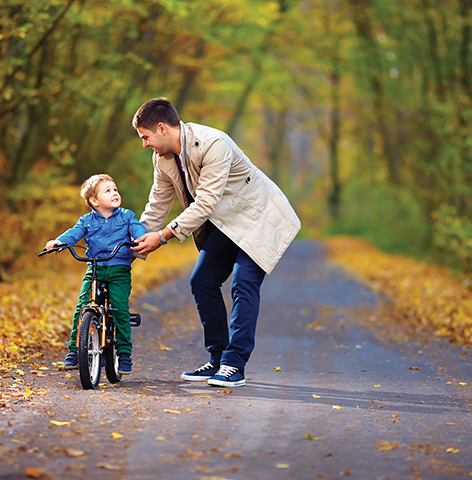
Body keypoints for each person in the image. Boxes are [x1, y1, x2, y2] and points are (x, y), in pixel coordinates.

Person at [131, 97, 300, 387]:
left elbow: (206, 202)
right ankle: (218, 358)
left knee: (243, 283)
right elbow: (157, 204)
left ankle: (234, 365)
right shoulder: (162, 158)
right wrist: (131, 246)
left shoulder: (213, 143)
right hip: (225, 223)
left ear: (161, 128)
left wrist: (163, 236)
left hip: (257, 218)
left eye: (145, 137)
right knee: (202, 282)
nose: (145, 144)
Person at [45, 174, 147, 374]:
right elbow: (74, 233)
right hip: (95, 269)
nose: (114, 193)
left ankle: (124, 353)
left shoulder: (126, 216)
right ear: (94, 201)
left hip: (119, 270)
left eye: (115, 189)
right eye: (107, 191)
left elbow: (138, 230)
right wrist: (58, 242)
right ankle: (75, 351)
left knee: (119, 308)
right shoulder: (86, 221)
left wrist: (141, 238)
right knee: (82, 306)